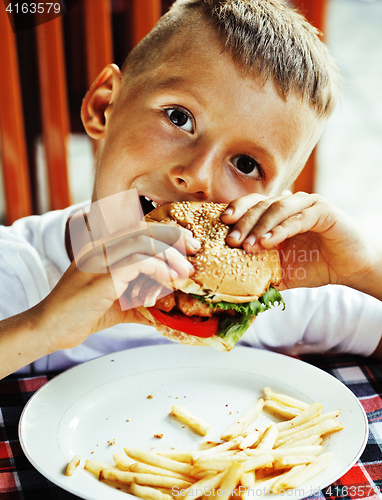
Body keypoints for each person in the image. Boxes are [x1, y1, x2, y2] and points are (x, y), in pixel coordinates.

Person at [0, 0, 381, 380]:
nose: (198, 175)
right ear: (104, 107)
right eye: (179, 118)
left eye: (246, 165)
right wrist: (39, 328)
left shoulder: (276, 294)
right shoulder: (17, 272)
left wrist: (366, 268)